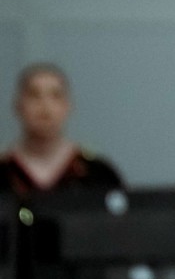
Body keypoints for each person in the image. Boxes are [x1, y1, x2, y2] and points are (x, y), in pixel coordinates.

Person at [1, 63, 123, 198]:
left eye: (56, 95)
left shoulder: (98, 174)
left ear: (68, 106)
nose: (45, 106)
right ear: (18, 106)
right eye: (34, 95)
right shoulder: (4, 171)